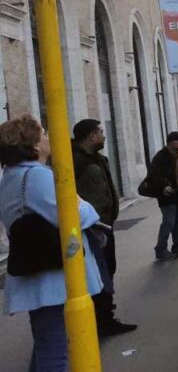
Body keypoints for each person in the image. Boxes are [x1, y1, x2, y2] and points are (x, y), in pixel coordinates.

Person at [1, 116, 105, 371]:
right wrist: (85, 205)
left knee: (47, 345)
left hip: (39, 274)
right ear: (35, 145)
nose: (49, 138)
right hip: (55, 278)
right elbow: (76, 215)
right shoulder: (37, 177)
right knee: (57, 351)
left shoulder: (11, 176)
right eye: (44, 134)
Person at [72, 118, 137, 336]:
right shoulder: (76, 161)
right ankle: (102, 320)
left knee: (108, 269)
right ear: (91, 136)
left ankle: (104, 313)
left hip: (104, 226)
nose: (103, 135)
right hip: (91, 228)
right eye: (100, 132)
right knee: (99, 273)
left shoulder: (99, 159)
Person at [148, 131, 178, 260]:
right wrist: (163, 187)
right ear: (172, 142)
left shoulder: (176, 156)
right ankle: (161, 249)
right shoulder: (160, 157)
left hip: (176, 194)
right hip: (165, 195)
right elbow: (153, 176)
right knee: (169, 222)